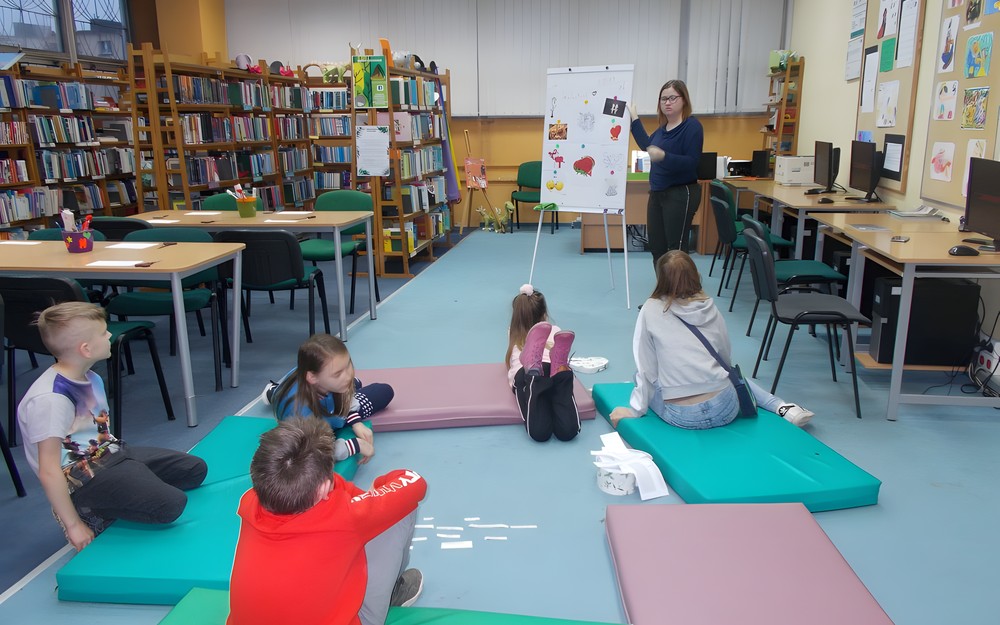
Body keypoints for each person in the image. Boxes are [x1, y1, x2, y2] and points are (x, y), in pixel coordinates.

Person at [16, 302, 207, 551]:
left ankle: (128, 486)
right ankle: (87, 508)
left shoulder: (90, 377)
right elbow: (49, 470)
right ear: (85, 349)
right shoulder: (52, 400)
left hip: (110, 454)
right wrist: (73, 525)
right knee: (171, 505)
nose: (109, 336)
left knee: (194, 470)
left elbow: (98, 433)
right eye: (104, 333)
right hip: (81, 479)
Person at [228, 417, 427, 625]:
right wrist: (375, 489)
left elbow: (336, 489)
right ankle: (393, 590)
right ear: (323, 488)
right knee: (401, 511)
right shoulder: (345, 516)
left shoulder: (249, 501)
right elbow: (414, 482)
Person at [609, 251, 814, 430]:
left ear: (660, 279)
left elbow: (647, 369)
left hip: (683, 416)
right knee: (729, 373)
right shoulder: (708, 305)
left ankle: (778, 405)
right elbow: (725, 358)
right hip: (726, 408)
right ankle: (781, 406)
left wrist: (634, 411)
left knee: (639, 375)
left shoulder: (650, 309)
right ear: (695, 274)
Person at [264, 333, 393, 466]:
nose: (348, 375)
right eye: (338, 374)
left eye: (348, 365)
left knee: (370, 387)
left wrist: (355, 421)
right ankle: (274, 392)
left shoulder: (323, 378)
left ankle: (274, 391)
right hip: (315, 419)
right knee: (365, 387)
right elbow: (313, 456)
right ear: (312, 377)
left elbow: (344, 394)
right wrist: (354, 445)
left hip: (324, 395)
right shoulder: (303, 418)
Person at [629, 79, 704, 266]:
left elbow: (692, 162)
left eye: (672, 98)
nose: (667, 103)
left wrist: (664, 156)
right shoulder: (663, 129)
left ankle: (679, 292)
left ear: (684, 100)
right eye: (663, 99)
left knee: (675, 250)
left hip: (680, 193)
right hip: (657, 193)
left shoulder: (692, 127)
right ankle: (664, 289)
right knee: (657, 247)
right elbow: (648, 145)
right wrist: (634, 119)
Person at [506, 284, 581, 442]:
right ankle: (561, 368)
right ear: (544, 313)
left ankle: (534, 370)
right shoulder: (555, 329)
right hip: (553, 371)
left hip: (525, 374)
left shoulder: (513, 333)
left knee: (539, 433)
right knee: (568, 432)